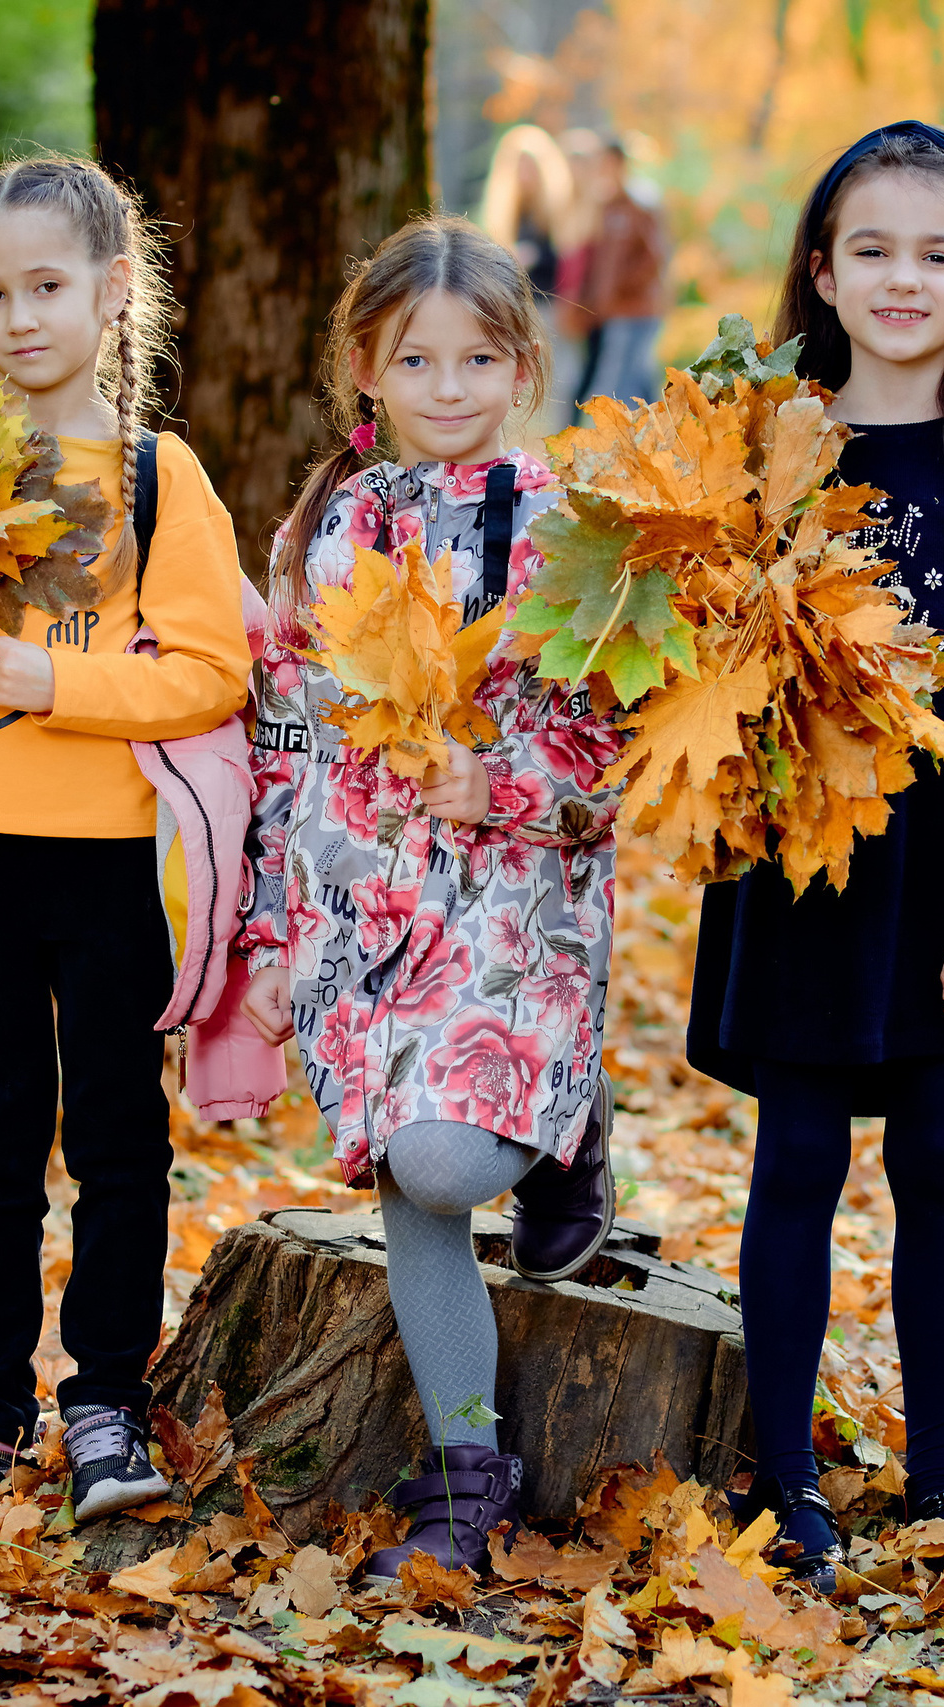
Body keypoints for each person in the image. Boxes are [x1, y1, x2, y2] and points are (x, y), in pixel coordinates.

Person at [686, 121, 944, 1586]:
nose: (903, 278)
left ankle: (932, 1476)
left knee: (934, 1157)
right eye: (874, 250)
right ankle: (784, 1474)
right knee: (794, 1154)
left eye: (938, 254)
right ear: (822, 267)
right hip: (801, 868)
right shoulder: (761, 445)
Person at [0, 155, 255, 1528]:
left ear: (109, 287)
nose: (19, 315)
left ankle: (104, 1399)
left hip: (108, 858)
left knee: (120, 1135)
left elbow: (211, 670)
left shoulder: (160, 475)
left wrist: (64, 686)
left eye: (45, 285)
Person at [236, 217, 624, 1580]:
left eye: (477, 357)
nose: (448, 384)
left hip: (518, 907)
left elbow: (614, 756)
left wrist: (502, 785)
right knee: (412, 1177)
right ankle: (472, 1471)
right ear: (367, 366)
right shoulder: (333, 522)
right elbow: (289, 730)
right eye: (418, 358)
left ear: (522, 365)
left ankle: (565, 1120)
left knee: (450, 1156)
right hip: (366, 909)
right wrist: (277, 931)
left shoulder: (573, 526)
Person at [478, 124, 588, 437]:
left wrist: (534, 257)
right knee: (520, 381)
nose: (525, 174)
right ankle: (524, 444)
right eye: (519, 166)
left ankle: (560, 444)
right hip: (519, 311)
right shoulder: (507, 212)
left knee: (564, 380)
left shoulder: (558, 208)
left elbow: (570, 257)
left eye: (530, 166)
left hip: (555, 308)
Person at [574, 138, 668, 410]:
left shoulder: (640, 205)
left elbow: (654, 258)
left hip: (635, 309)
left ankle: (617, 442)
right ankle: (657, 440)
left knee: (615, 384)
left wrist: (621, 288)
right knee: (639, 380)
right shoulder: (604, 205)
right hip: (610, 311)